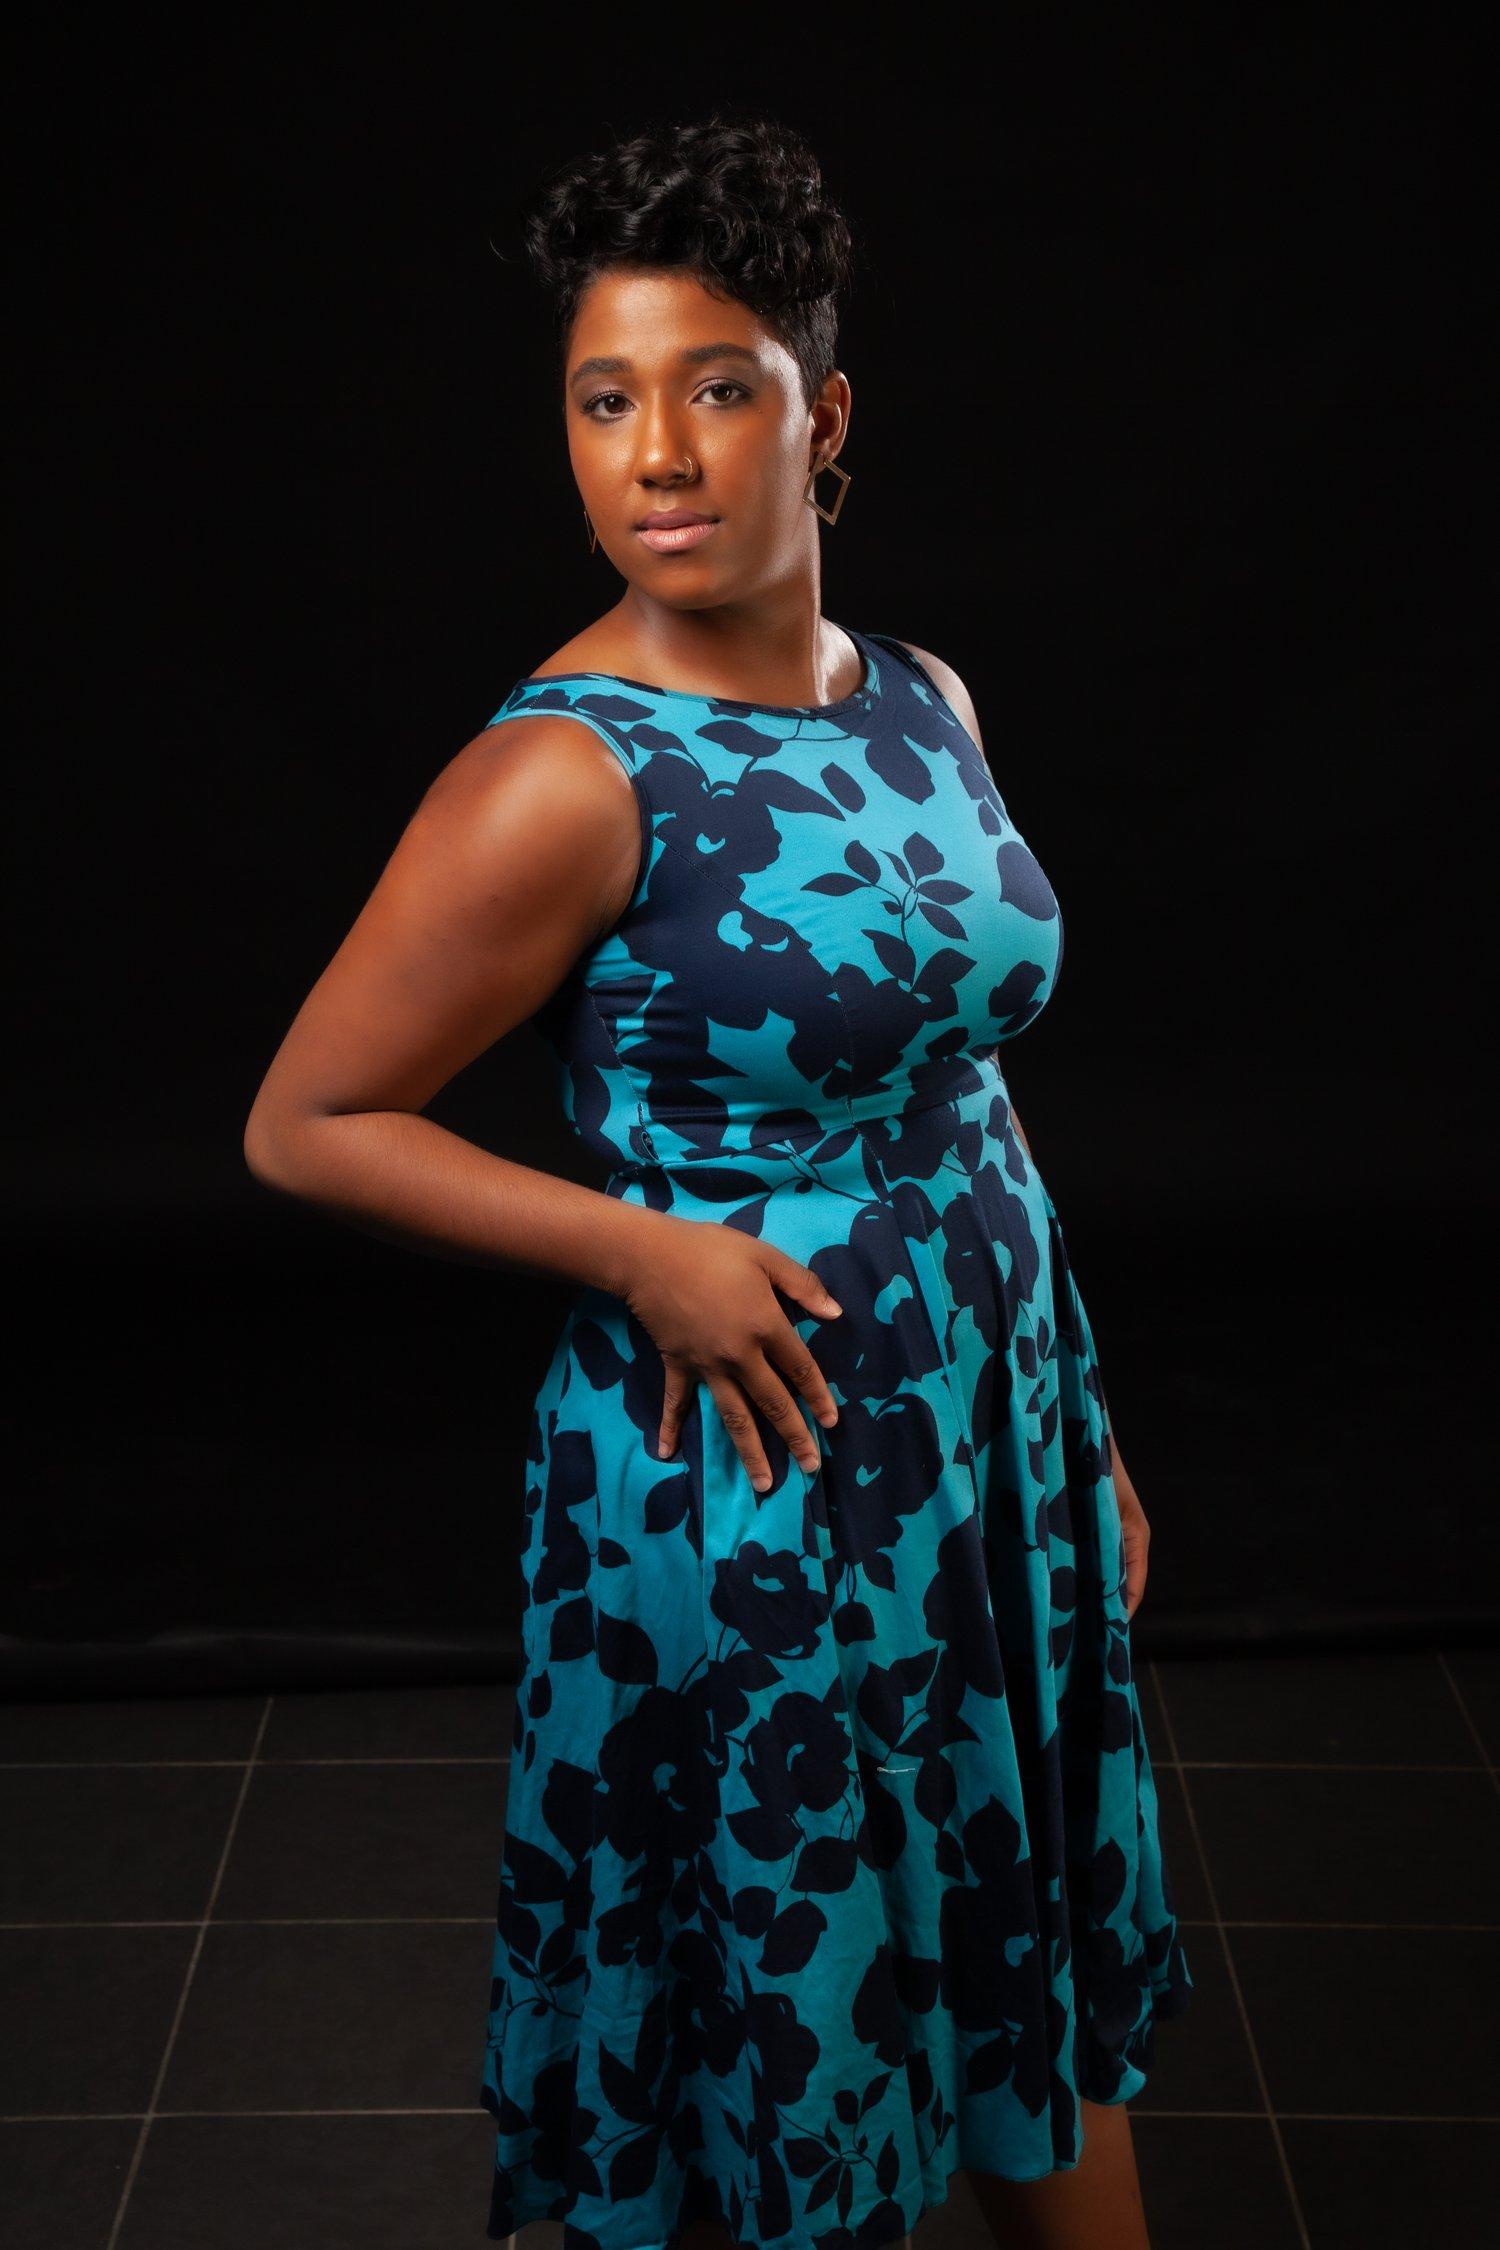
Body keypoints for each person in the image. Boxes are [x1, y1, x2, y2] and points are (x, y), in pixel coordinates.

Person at [244, 108, 1192, 2250]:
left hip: (979, 1439)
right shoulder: (562, 778)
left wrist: (1077, 1433)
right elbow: (305, 1120)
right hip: (742, 1469)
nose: (657, 450)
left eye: (716, 387)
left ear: (821, 415)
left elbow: (975, 1095)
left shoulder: (924, 697)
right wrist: (639, 1252)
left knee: (1027, 1985)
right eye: (604, 399)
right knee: (795, 2022)